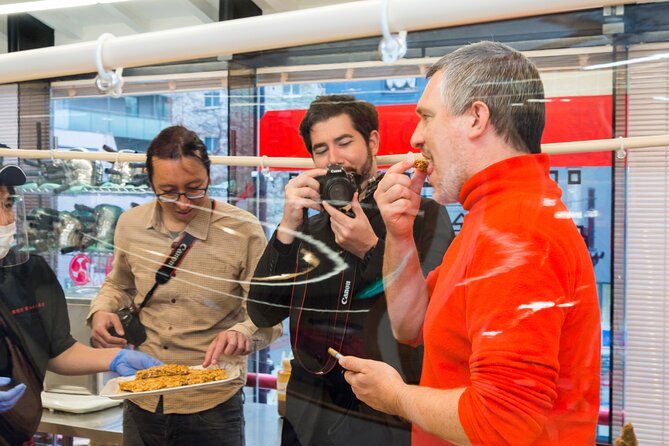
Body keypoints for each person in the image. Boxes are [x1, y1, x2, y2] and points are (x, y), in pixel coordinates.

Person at [339, 41, 602, 445]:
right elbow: (411, 324)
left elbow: (502, 424)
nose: (415, 138)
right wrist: (399, 232)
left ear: (476, 117)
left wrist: (395, 396)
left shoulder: (517, 230)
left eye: (426, 118)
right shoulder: (494, 213)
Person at [247, 94, 454, 446]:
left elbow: (429, 320)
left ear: (372, 141)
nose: (335, 160)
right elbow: (263, 313)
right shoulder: (309, 228)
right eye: (321, 149)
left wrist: (371, 248)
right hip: (308, 410)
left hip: (386, 412)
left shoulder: (419, 215)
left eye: (345, 143)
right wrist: (287, 227)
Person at [88, 125, 282, 446]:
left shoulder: (243, 229)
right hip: (143, 396)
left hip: (212, 402)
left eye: (194, 188)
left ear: (209, 175)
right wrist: (101, 310)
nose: (182, 203)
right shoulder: (130, 224)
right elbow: (118, 284)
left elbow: (269, 314)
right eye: (167, 191)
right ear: (150, 182)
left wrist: (244, 333)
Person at [0, 164, 162, 446]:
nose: (6, 219)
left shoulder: (31, 274)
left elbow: (57, 351)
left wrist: (113, 359)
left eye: (6, 204)